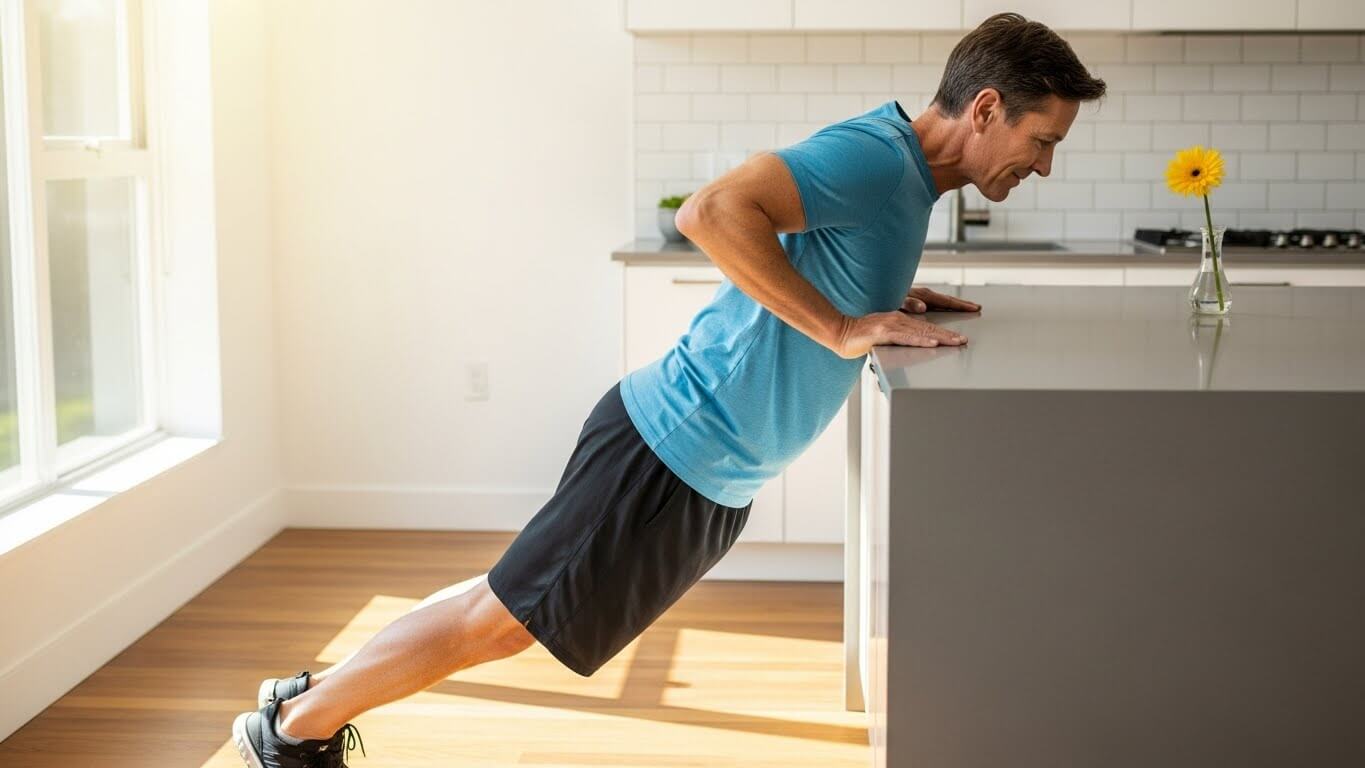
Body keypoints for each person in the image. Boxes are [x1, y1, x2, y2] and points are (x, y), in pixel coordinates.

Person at [230, 12, 1106, 766]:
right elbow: (711, 211)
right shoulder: (878, 158)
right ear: (987, 108)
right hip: (672, 445)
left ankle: (306, 702)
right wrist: (842, 329)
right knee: (500, 620)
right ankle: (291, 731)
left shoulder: (906, 180)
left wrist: (879, 300)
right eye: (1042, 141)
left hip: (706, 466)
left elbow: (821, 253)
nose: (1043, 166)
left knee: (498, 607)